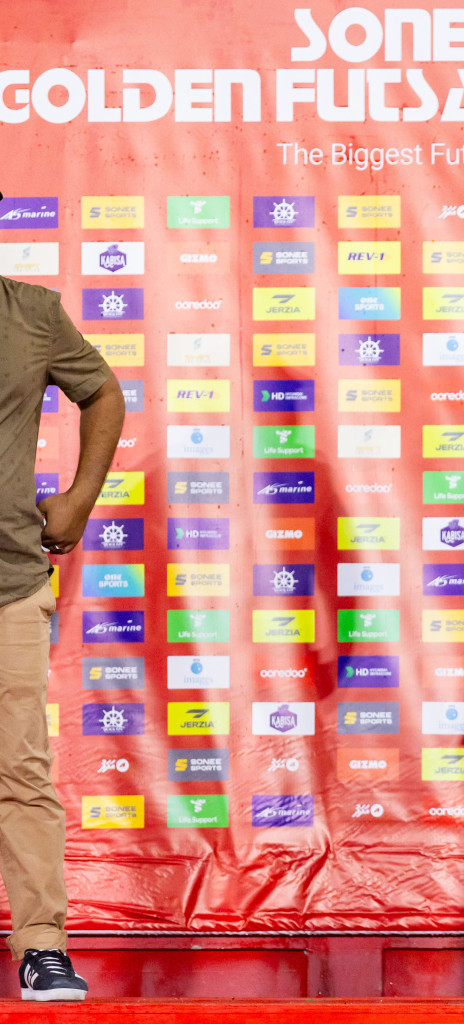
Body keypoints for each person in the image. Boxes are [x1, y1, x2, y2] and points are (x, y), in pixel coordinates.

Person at [0, 259, 125, 1001]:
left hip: (8, 584)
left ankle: (42, 945)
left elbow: (103, 393)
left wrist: (78, 497)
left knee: (20, 770)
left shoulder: (33, 312)